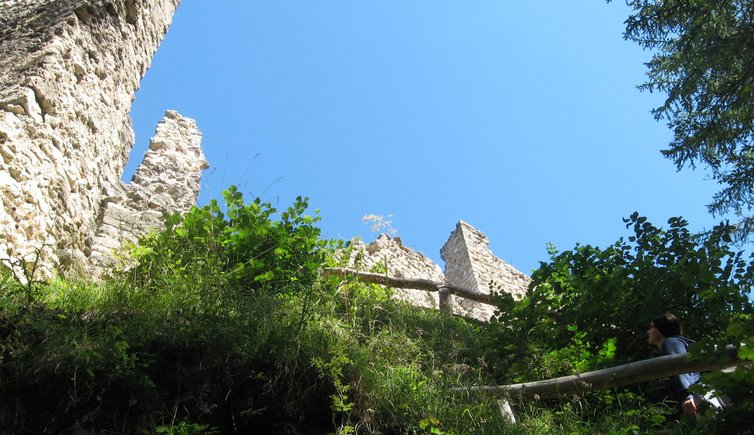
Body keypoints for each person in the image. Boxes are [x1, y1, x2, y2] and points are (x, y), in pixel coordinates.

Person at [647, 312, 725, 416]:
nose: (648, 331)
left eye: (651, 327)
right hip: (706, 392)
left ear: (660, 328)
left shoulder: (670, 342)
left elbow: (682, 365)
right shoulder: (679, 342)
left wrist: (687, 395)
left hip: (698, 393)